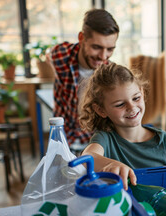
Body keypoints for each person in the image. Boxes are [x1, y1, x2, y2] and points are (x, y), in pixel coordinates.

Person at [79, 63, 166, 189]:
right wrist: (112, 164)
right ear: (101, 110)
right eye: (120, 104)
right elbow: (88, 157)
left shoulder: (163, 140)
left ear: (142, 92)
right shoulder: (105, 139)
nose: (132, 107)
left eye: (136, 98)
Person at [51, 8, 119, 146]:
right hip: (65, 137)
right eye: (96, 47)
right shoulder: (60, 56)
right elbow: (50, 54)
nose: (103, 56)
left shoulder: (109, 73)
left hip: (97, 140)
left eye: (110, 49)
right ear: (81, 38)